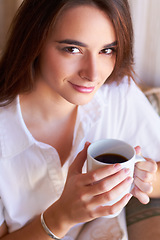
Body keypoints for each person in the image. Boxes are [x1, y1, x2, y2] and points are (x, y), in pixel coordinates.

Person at [0, 0, 159, 239]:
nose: (93, 74)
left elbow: (155, 174)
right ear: (35, 41)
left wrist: (141, 180)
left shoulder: (118, 95)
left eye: (107, 50)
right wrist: (61, 217)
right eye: (72, 49)